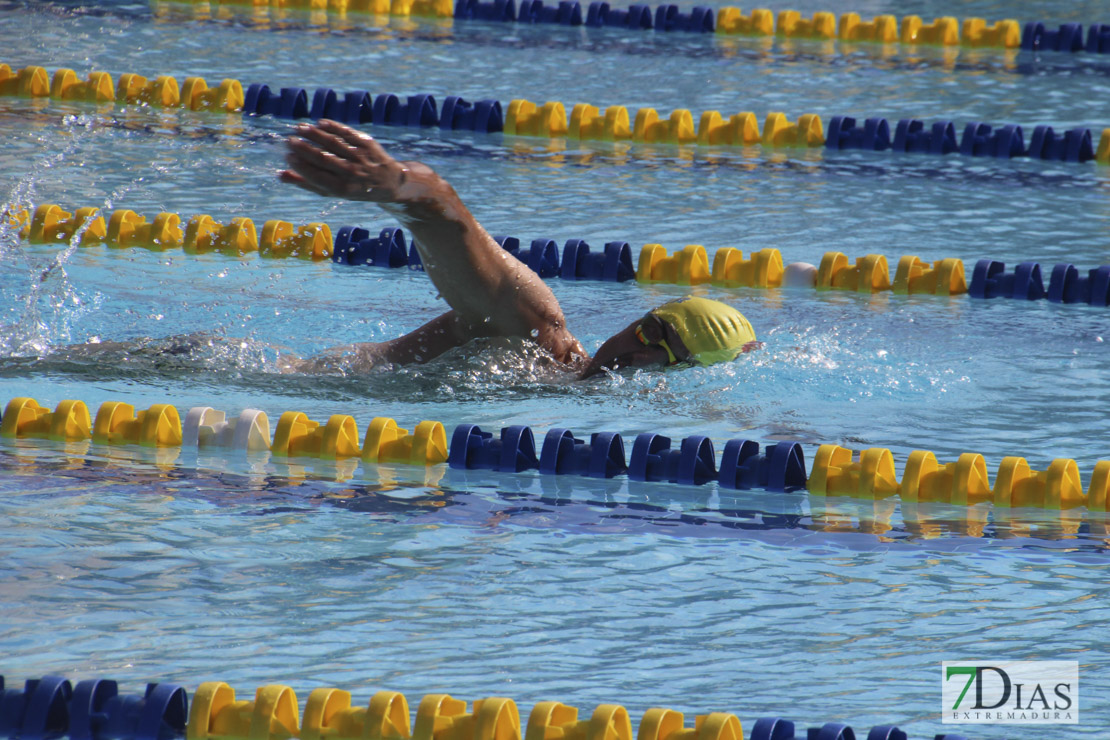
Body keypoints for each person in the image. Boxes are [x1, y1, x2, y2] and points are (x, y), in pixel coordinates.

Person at [280, 120, 765, 379]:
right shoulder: (537, 338)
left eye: (664, 349)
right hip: (283, 377)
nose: (637, 350)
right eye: (647, 329)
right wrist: (401, 185)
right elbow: (449, 217)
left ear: (684, 378)